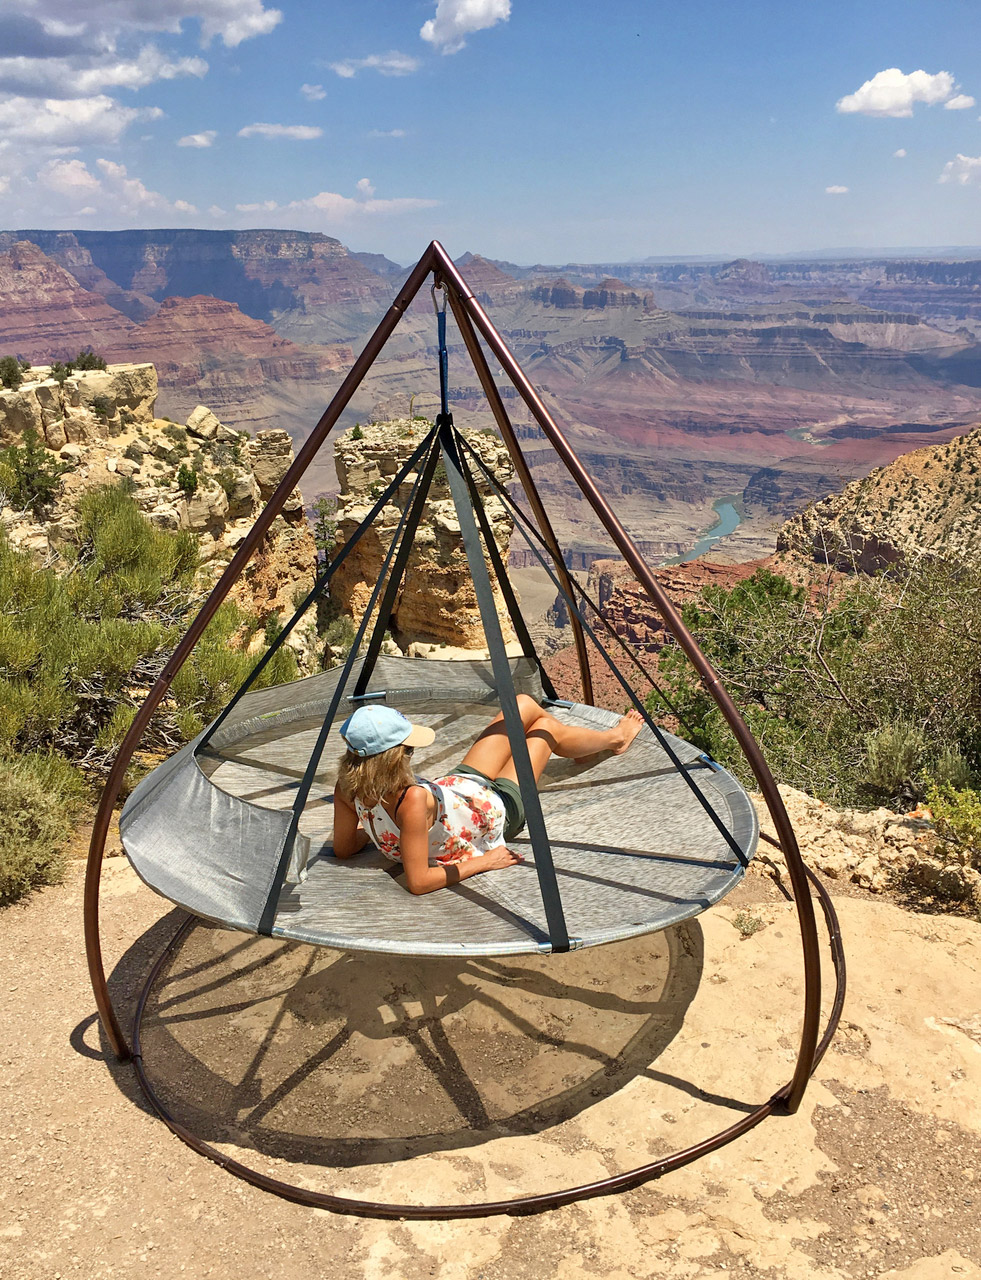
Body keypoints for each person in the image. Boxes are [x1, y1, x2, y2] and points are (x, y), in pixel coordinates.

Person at [332, 695, 643, 895]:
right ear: (395, 758)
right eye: (408, 749)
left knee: (520, 703)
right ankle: (613, 739)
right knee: (544, 730)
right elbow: (419, 882)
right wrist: (486, 862)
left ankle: (579, 746)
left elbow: (344, 848)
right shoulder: (409, 801)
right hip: (495, 811)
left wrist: (385, 836)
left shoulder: (346, 788)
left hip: (458, 788)